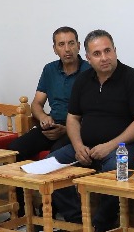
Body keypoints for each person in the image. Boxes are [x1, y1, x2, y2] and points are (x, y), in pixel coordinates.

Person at [47, 30, 134, 228]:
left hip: (125, 147)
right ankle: (78, 220)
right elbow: (72, 118)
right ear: (88, 57)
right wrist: (78, 146)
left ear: (115, 50)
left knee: (116, 169)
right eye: (97, 54)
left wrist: (110, 146)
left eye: (107, 51)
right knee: (49, 166)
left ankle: (102, 224)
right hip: (87, 147)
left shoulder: (133, 79)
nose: (104, 58)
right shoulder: (83, 80)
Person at [11, 27, 90, 160]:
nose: (67, 49)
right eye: (61, 44)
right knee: (14, 150)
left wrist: (66, 130)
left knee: (54, 156)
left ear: (78, 46)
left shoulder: (90, 71)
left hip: (78, 130)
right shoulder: (49, 70)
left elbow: (95, 115)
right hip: (52, 127)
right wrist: (43, 117)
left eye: (71, 43)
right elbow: (36, 103)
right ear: (55, 49)